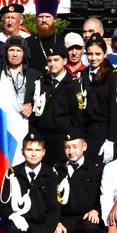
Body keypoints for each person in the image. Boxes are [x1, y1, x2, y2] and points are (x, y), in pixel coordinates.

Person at [0, 133, 59, 233]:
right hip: (20, 223)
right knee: (14, 230)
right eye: (29, 150)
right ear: (22, 151)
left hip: (40, 224)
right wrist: (13, 216)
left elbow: (54, 211)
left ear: (44, 152)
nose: (33, 154)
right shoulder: (12, 173)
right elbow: (2, 206)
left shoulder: (51, 175)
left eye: (37, 150)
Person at [0, 36, 39, 166]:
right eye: (11, 50)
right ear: (6, 52)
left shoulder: (35, 75)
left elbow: (41, 101)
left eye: (19, 50)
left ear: (24, 53)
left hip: (25, 128)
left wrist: (32, 105)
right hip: (2, 129)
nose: (15, 54)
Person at [31, 37, 83, 166]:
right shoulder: (42, 81)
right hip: (42, 138)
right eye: (49, 60)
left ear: (65, 60)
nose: (52, 64)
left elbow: (77, 116)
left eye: (56, 60)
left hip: (62, 139)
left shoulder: (72, 84)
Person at [53, 133, 103, 233]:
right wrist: (56, 222)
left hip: (85, 217)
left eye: (75, 147)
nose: (71, 151)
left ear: (84, 146)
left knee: (90, 229)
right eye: (67, 147)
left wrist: (96, 210)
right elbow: (51, 200)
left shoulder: (95, 170)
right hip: (65, 218)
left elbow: (102, 195)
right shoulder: (57, 169)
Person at [79, 33, 117, 164]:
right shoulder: (83, 74)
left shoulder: (111, 76)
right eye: (90, 54)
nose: (93, 58)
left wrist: (111, 139)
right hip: (87, 132)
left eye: (97, 54)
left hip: (104, 132)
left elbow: (116, 110)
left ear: (105, 54)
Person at [25, 0, 59, 74]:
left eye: (47, 17)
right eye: (40, 17)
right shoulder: (27, 42)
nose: (44, 20)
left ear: (54, 20)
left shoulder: (62, 41)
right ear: (36, 20)